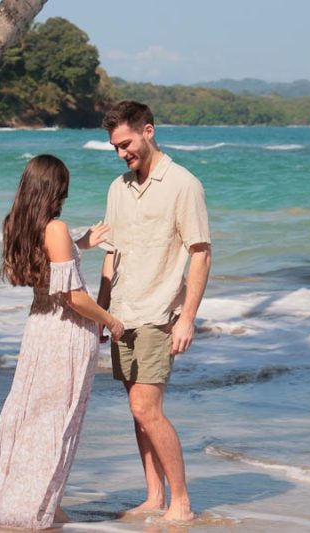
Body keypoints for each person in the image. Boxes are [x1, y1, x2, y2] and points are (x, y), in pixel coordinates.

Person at [0, 154, 125, 529]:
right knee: (58, 421)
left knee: (31, 415)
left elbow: (49, 269)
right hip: (65, 333)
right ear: (55, 189)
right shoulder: (56, 228)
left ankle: (34, 499)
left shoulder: (16, 224)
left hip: (39, 329)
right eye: (63, 189)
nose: (64, 196)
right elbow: (74, 298)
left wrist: (81, 242)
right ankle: (39, 504)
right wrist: (110, 320)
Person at [97, 101, 212, 522]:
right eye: (115, 147)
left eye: (125, 143)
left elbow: (200, 253)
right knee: (136, 410)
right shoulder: (117, 188)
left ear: (148, 130)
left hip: (159, 313)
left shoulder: (184, 184)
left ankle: (181, 501)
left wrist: (188, 317)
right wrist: (100, 310)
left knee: (147, 408)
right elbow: (111, 254)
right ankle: (153, 496)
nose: (121, 153)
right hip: (121, 315)